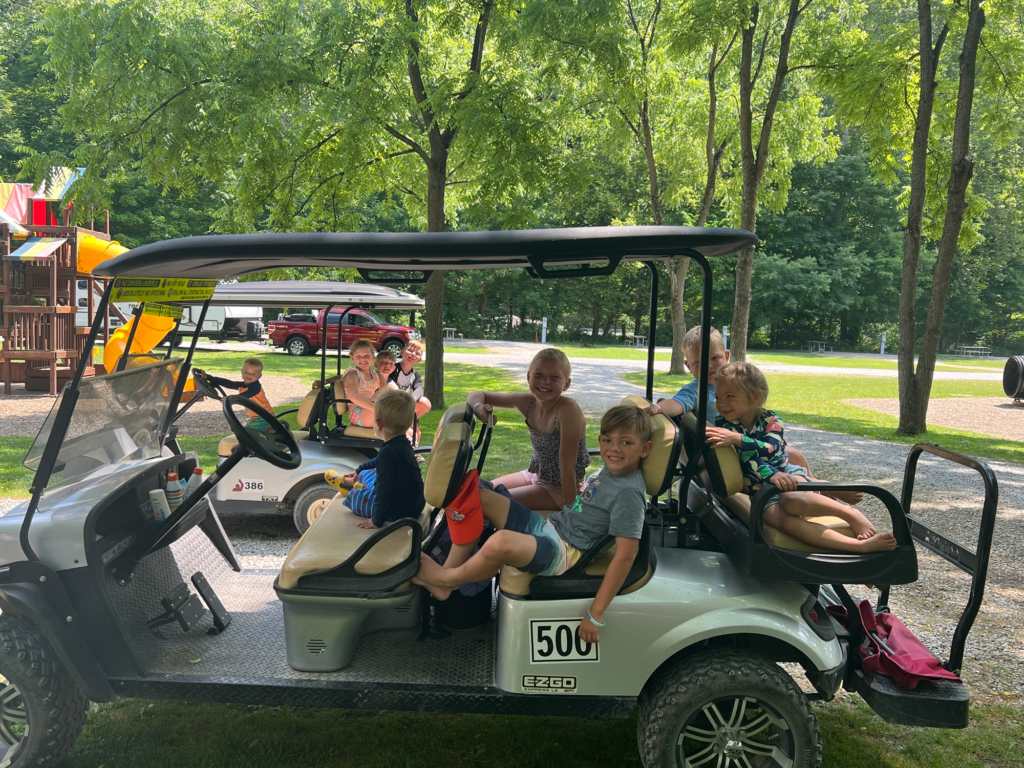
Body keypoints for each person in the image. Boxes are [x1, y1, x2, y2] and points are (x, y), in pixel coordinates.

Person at [414, 404, 652, 643]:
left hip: (564, 552)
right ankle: (448, 573)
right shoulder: (612, 470)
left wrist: (596, 614)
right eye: (608, 440)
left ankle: (448, 580)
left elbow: (626, 556)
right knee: (480, 495)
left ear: (645, 449)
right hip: (550, 528)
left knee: (500, 542)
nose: (614, 448)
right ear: (600, 440)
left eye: (626, 442)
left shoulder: (629, 494)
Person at [646, 327, 861, 505]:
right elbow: (677, 404)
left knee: (792, 453)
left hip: (747, 442)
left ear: (726, 356)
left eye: (715, 358)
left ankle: (816, 484)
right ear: (688, 366)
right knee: (784, 457)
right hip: (735, 452)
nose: (709, 366)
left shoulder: (733, 383)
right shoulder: (695, 391)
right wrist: (659, 408)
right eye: (699, 362)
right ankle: (816, 489)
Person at [706, 363, 896, 553]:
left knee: (793, 502)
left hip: (786, 472)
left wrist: (739, 440)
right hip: (757, 489)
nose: (721, 404)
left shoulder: (772, 420)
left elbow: (772, 449)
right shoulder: (725, 425)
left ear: (755, 397)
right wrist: (769, 474)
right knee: (785, 523)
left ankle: (849, 513)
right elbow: (744, 457)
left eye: (729, 397)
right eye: (718, 397)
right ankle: (859, 546)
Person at [467, 348, 588, 512]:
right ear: (528, 376)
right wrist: (479, 408)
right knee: (478, 492)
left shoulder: (568, 410)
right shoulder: (528, 403)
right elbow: (477, 394)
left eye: (554, 377)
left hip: (562, 488)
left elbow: (567, 468)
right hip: (535, 475)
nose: (545, 381)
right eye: (538, 374)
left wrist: (572, 511)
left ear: (566, 384)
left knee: (488, 502)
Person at [329, 389, 425, 529]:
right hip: (412, 502)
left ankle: (348, 488)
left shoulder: (388, 451)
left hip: (399, 512)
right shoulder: (402, 443)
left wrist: (377, 520)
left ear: (378, 424)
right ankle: (359, 483)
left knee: (354, 497)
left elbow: (384, 489)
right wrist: (360, 469)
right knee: (367, 472)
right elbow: (378, 461)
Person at [194, 357, 274, 431]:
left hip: (265, 417)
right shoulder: (243, 385)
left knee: (247, 432)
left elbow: (246, 395)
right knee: (246, 431)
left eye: (253, 374)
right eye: (246, 372)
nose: (249, 375)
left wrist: (230, 399)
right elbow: (229, 383)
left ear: (259, 376)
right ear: (241, 371)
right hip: (257, 417)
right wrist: (208, 377)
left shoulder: (256, 387)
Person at [389, 339, 432, 421]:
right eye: (410, 351)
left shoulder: (416, 375)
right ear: (402, 352)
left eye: (417, 353)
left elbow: (419, 389)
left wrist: (411, 400)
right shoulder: (392, 369)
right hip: (391, 404)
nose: (413, 354)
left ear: (419, 359)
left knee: (425, 403)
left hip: (406, 404)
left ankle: (408, 422)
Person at [343, 339, 382, 428]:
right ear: (352, 358)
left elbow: (386, 388)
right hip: (358, 413)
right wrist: (378, 409)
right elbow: (354, 396)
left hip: (371, 408)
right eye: (358, 356)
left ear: (373, 356)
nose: (363, 359)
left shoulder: (374, 375)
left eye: (367, 356)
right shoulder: (353, 374)